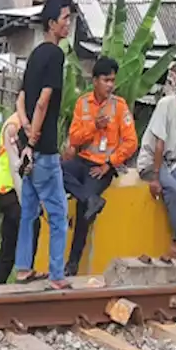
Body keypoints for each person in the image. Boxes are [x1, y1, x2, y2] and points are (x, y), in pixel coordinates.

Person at [15, 0, 73, 290]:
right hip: (44, 150)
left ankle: (23, 267)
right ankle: (56, 275)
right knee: (58, 214)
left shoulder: (35, 54)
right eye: (65, 19)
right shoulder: (55, 55)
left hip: (28, 147)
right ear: (52, 24)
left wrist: (25, 131)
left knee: (28, 210)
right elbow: (43, 100)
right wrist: (35, 136)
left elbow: (21, 97)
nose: (68, 24)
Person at [62, 57, 138, 276]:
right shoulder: (82, 103)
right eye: (106, 80)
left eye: (112, 81)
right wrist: (94, 126)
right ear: (95, 80)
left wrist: (110, 163)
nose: (110, 85)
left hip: (103, 167)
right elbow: (74, 138)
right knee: (55, 169)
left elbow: (131, 142)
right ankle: (90, 197)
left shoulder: (119, 107)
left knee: (84, 211)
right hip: (82, 160)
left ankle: (73, 263)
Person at [137, 65, 176, 260]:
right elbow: (159, 143)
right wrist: (155, 178)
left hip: (171, 163)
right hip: (151, 161)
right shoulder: (166, 104)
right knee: (173, 188)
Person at [0, 111, 40, 285]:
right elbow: (14, 167)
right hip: (8, 188)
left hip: (16, 188)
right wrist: (24, 200)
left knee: (10, 238)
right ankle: (24, 271)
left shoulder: (28, 123)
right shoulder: (13, 126)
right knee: (30, 222)